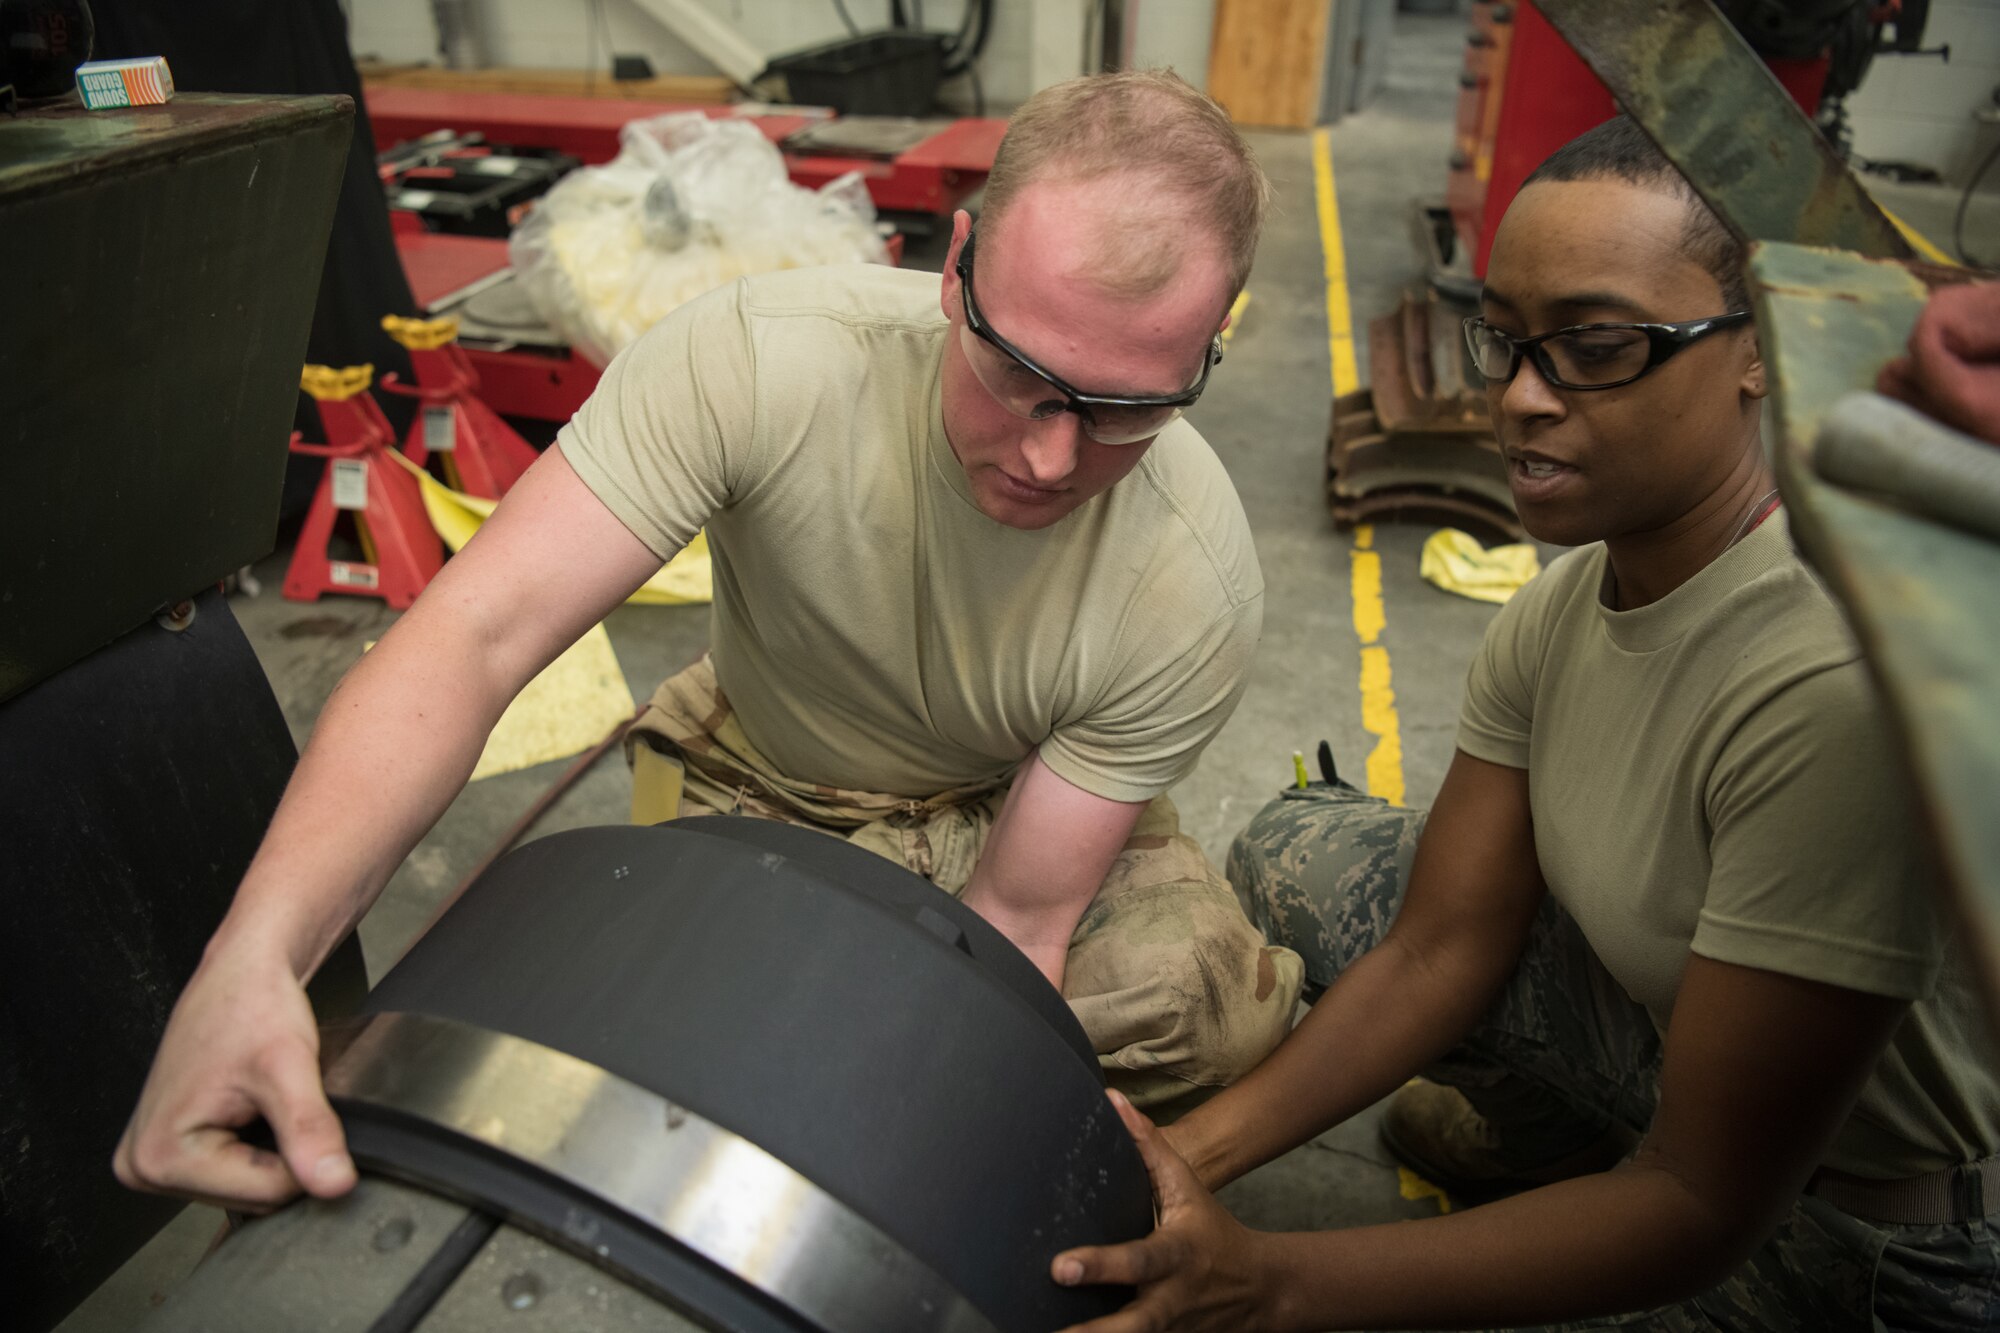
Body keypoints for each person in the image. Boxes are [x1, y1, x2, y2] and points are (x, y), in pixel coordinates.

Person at [114, 70, 1304, 1211]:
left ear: (1204, 360)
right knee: (585, 1026)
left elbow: (1015, 922)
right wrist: (256, 959)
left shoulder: (1187, 580)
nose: (1050, 456)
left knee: (1207, 1011)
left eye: (1124, 408)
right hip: (763, 764)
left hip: (1003, 809)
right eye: (1019, 373)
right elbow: (471, 634)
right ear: (955, 267)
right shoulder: (756, 361)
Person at [1049, 116, 2000, 1331]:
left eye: (1594, 347)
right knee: (1304, 847)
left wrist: (1270, 1281)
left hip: (1874, 1234)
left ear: (1757, 347)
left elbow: (1701, 1199)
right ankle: (1554, 1128)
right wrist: (1181, 1159)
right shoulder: (1561, 605)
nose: (1519, 398)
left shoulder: (1820, 676)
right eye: (1504, 340)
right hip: (1686, 1056)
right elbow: (1440, 948)